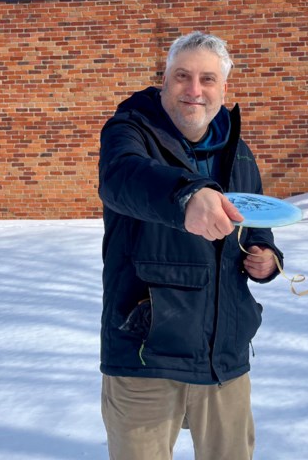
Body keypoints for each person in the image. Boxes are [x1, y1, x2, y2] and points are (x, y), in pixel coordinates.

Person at [98, 31, 284, 460]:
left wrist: (267, 255)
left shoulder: (239, 152)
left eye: (207, 79)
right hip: (146, 347)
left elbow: (254, 223)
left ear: (223, 87)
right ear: (164, 80)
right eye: (182, 76)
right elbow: (122, 179)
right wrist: (186, 195)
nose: (194, 90)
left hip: (224, 350)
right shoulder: (130, 132)